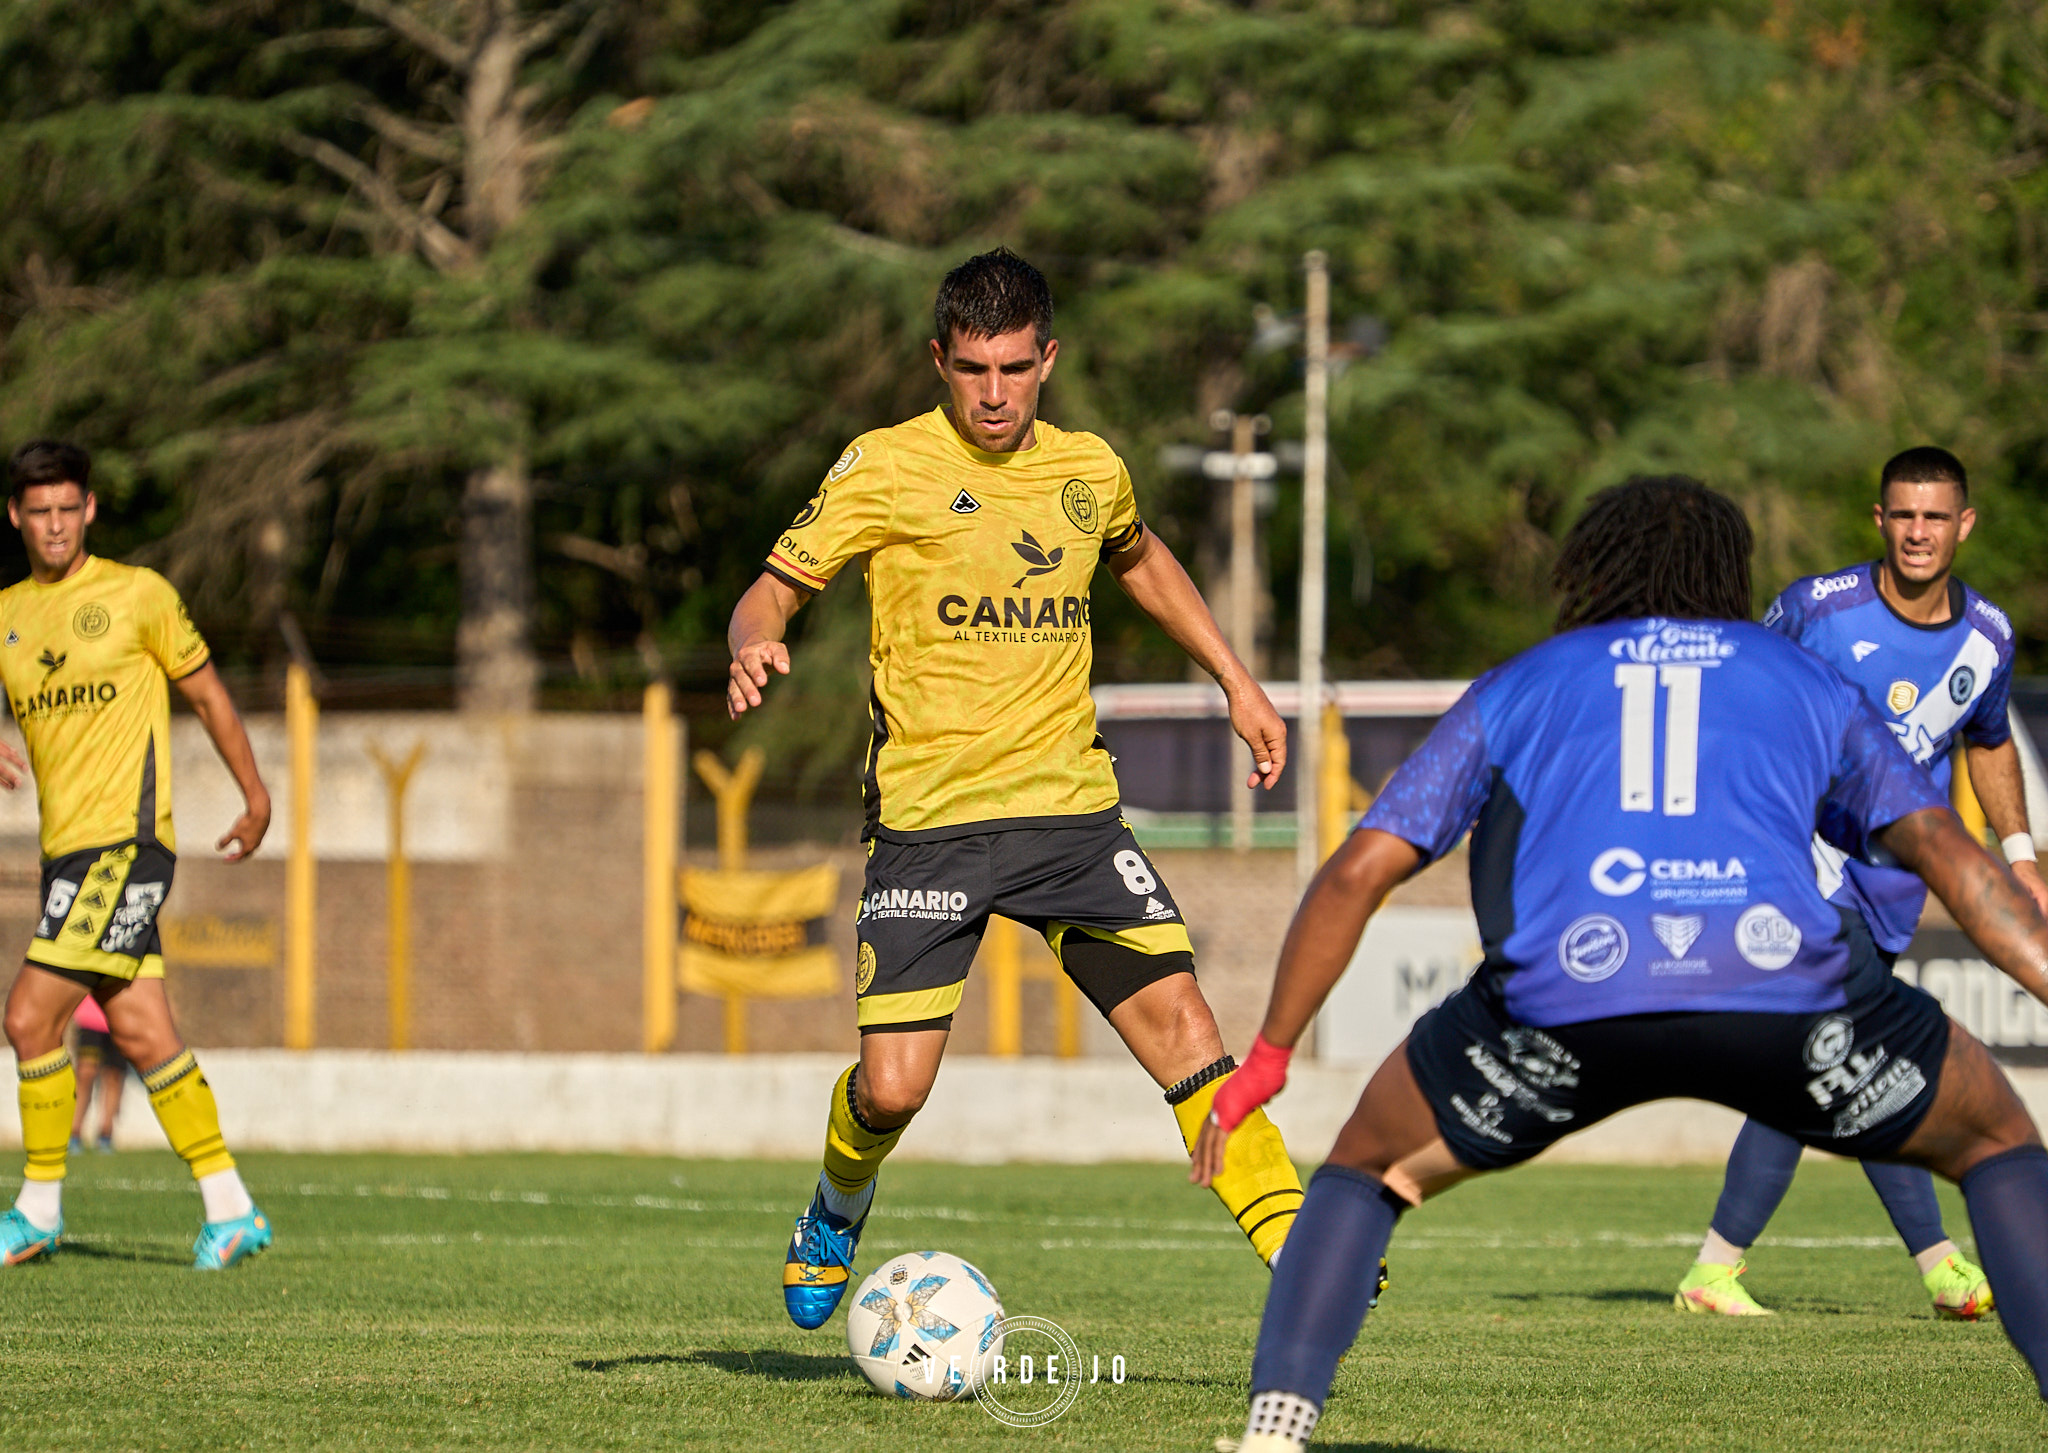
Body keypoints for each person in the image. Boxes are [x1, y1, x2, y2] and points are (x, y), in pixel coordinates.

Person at [1195, 476, 2048, 1451]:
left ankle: (1275, 1428)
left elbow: (1357, 871)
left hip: (1565, 1003)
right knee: (1995, 1138)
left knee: (1363, 1166)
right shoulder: (1800, 676)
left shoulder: (1526, 680)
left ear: (1590, 568)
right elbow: (1948, 855)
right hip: (1781, 995)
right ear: (1727, 574)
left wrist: (1269, 1054)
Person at [728, 248, 1306, 1331]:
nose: (992, 394)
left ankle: (1301, 1247)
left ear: (1048, 359)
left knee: (1185, 1025)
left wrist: (1236, 679)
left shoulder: (1089, 470)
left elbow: (1140, 559)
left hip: (1070, 817)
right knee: (892, 1088)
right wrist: (752, 641)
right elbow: (770, 589)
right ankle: (836, 1201)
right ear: (937, 361)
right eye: (970, 369)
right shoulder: (883, 466)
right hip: (929, 825)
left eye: (1011, 368)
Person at [1676, 445, 2045, 1318]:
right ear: (1880, 520)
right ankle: (1921, 1264)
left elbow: (1989, 739)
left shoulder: (1988, 637)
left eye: (1935, 516)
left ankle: (1728, 1270)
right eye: (1903, 515)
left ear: (1964, 525)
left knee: (1837, 1061)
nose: (1918, 532)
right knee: (1850, 1045)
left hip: (1888, 885)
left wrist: (2022, 856)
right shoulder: (1819, 609)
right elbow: (1733, 696)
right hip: (1802, 866)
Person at [0, 439, 273, 1270]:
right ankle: (232, 1208)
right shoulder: (8, 612)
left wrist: (255, 794)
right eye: (39, 511)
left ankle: (37, 1209)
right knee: (143, 1030)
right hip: (65, 855)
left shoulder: (137, 595)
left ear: (90, 509)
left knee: (28, 1017)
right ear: (15, 516)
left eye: (68, 508)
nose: (55, 525)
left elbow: (208, 694)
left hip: (125, 845)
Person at [66, 993, 125, 1153]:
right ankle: (74, 1133)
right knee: (85, 1074)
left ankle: (105, 1135)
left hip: (121, 1019)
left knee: (114, 1076)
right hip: (89, 1019)